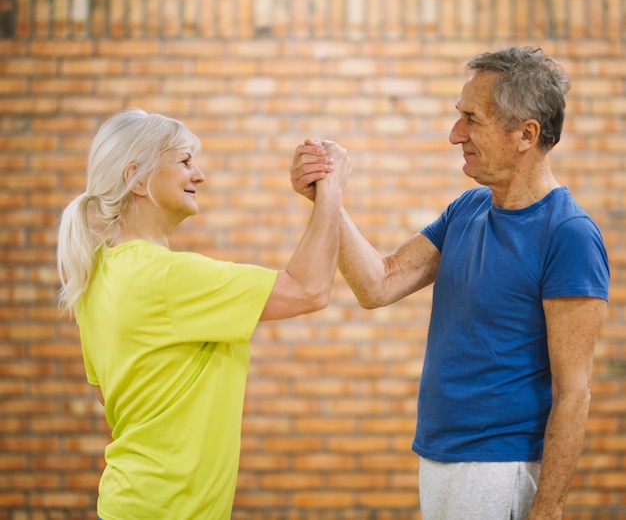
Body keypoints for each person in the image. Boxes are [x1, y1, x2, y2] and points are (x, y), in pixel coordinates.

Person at [290, 46, 610, 520]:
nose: (454, 134)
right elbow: (378, 284)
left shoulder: (569, 234)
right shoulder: (468, 209)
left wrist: (548, 510)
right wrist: (327, 197)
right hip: (439, 456)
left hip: (501, 466)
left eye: (471, 119)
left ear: (526, 134)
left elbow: (573, 392)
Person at [56, 109, 350, 520]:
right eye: (184, 161)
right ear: (137, 180)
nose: (200, 175)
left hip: (131, 502)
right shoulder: (166, 277)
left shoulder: (98, 274)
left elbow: (118, 397)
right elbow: (309, 289)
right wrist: (331, 190)